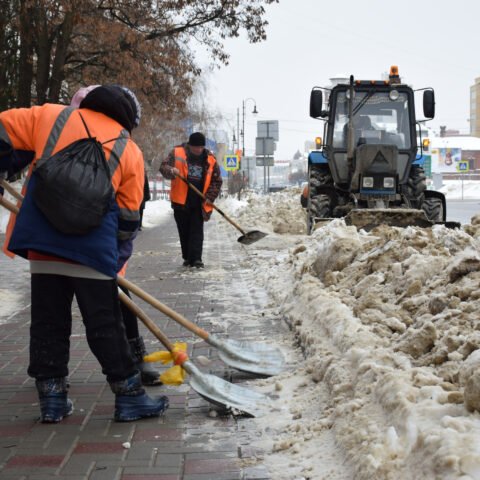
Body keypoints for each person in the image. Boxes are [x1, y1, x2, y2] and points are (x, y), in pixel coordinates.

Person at [0, 85, 168, 423]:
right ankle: (129, 397)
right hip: (92, 249)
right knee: (105, 325)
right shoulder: (128, 148)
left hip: (42, 242)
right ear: (126, 117)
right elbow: (129, 218)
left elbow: (3, 132)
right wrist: (115, 257)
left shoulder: (50, 115)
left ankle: (53, 401)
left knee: (48, 323)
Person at [69, 86, 161, 386]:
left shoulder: (124, 146)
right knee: (69, 308)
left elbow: (133, 204)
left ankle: (135, 358)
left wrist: (117, 255)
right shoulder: (76, 122)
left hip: (100, 241)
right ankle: (54, 377)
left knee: (117, 302)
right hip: (63, 236)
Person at [160, 132, 222, 268]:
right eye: (195, 147)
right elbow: (163, 167)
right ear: (189, 145)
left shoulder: (210, 159)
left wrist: (210, 196)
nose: (198, 150)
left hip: (200, 201)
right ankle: (188, 257)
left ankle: (197, 259)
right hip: (181, 200)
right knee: (184, 231)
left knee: (196, 230)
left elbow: (216, 181)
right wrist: (171, 170)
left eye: (200, 147)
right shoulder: (176, 152)